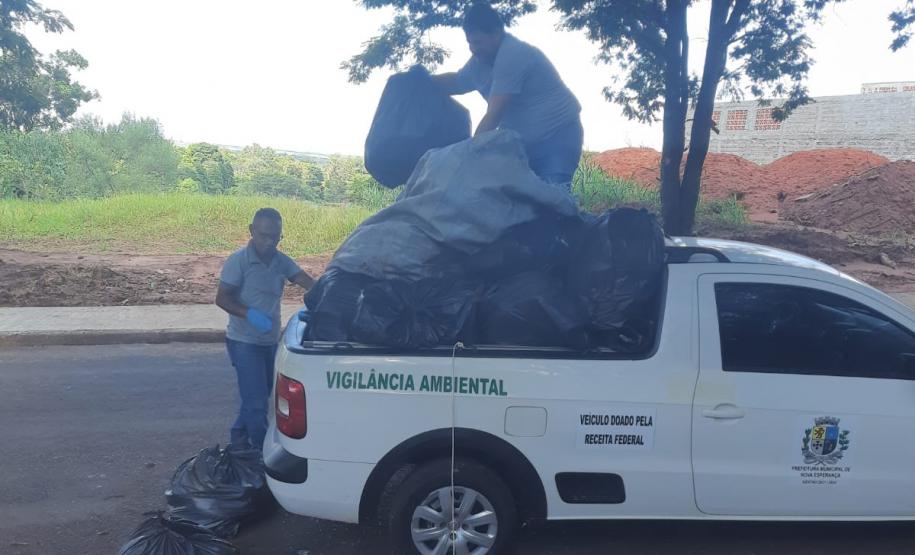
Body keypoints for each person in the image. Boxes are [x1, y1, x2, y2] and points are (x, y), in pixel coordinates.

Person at [432, 2, 583, 190]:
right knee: (523, 205)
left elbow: (494, 114)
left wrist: (467, 154)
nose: (473, 48)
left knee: (555, 201)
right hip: (524, 146)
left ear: (496, 34)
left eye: (478, 42)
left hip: (557, 138)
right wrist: (420, 83)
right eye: (469, 43)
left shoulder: (513, 54)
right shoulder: (480, 62)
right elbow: (457, 82)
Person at [215, 208, 315, 450]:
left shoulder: (281, 261)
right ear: (251, 231)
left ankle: (239, 442)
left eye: (275, 236)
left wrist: (328, 291)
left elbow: (306, 281)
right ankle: (261, 455)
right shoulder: (238, 261)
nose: (269, 242)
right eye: (263, 235)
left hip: (269, 341)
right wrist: (248, 313)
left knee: (256, 399)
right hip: (243, 342)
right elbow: (222, 298)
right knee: (257, 404)